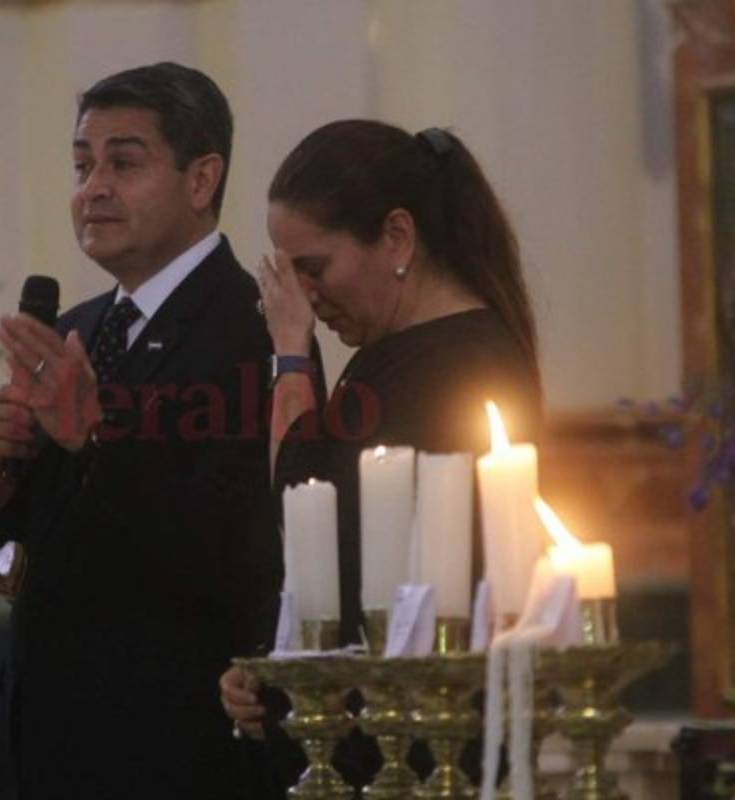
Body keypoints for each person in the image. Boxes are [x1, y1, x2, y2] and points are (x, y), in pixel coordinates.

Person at [0, 62, 280, 799]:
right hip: (48, 735)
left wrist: (93, 436)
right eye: (82, 165)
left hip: (172, 745)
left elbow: (233, 545)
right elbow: (34, 537)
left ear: (201, 181)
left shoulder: (251, 327)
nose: (92, 188)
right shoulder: (77, 329)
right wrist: (5, 470)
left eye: (123, 163)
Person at [218, 120, 544, 792]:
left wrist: (288, 352)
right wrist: (276, 673)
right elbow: (316, 555)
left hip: (422, 742)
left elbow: (304, 494)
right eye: (290, 273)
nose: (305, 295)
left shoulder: (458, 362)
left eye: (314, 267)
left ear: (397, 237)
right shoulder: (394, 355)